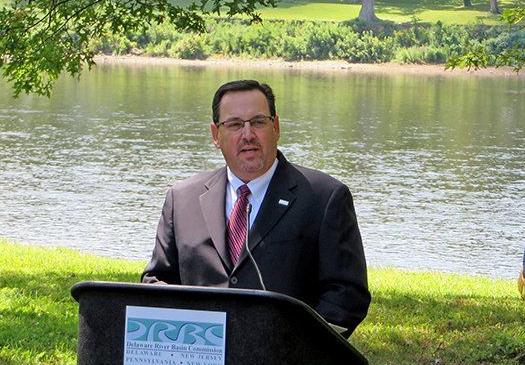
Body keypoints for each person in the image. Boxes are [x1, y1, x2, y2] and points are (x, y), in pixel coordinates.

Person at [142, 79, 370, 336]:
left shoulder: (324, 197)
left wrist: (294, 347)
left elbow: (347, 295)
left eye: (258, 122)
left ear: (276, 126)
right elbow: (156, 282)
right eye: (235, 124)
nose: (247, 134)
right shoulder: (181, 199)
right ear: (216, 135)